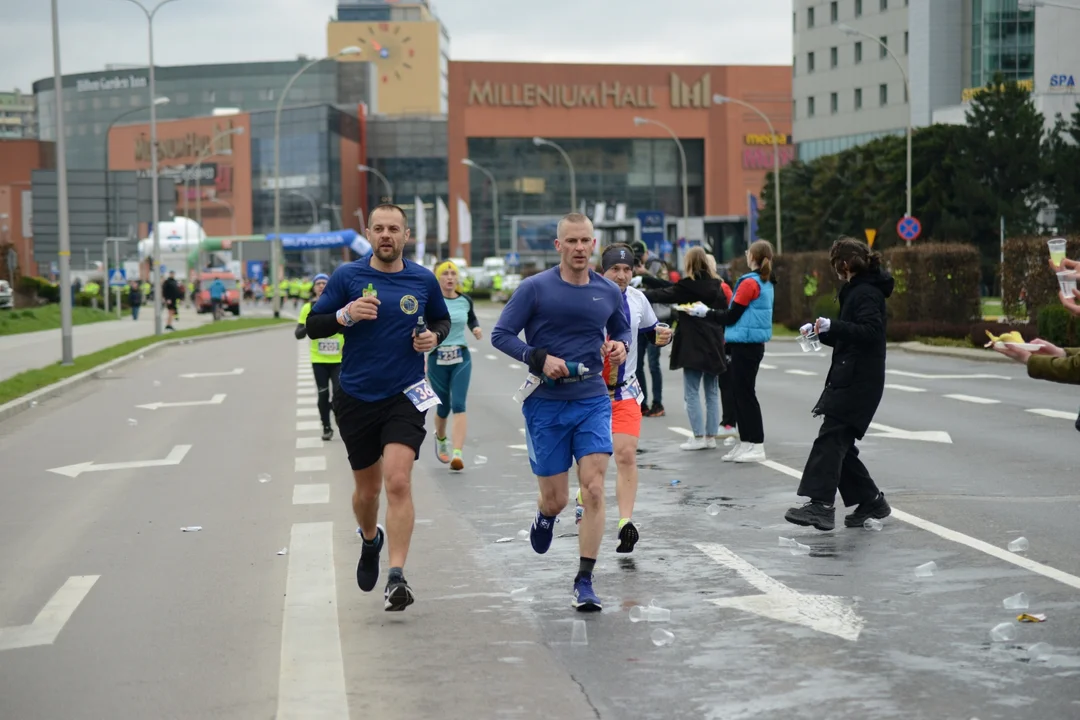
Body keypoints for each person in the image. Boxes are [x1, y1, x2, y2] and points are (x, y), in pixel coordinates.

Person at [305, 204, 451, 612]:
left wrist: (432, 339)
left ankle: (397, 576)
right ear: (368, 234)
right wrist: (345, 314)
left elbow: (440, 321)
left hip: (405, 395)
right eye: (379, 229)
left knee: (398, 481)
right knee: (367, 491)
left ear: (406, 236)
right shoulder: (348, 277)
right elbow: (314, 326)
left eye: (395, 229)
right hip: (355, 396)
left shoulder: (422, 279)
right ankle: (371, 540)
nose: (387, 235)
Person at [491, 212, 631, 612]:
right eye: (571, 242)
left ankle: (584, 579)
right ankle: (545, 515)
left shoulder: (608, 291)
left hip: (591, 399)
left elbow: (620, 331)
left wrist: (620, 347)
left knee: (594, 487)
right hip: (546, 403)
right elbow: (501, 335)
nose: (580, 249)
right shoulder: (535, 288)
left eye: (586, 241)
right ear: (558, 246)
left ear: (593, 242)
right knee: (555, 499)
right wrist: (537, 357)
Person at [785, 237, 894, 531]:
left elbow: (871, 332)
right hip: (853, 376)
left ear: (844, 264)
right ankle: (871, 501)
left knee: (831, 438)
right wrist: (820, 332)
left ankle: (820, 505)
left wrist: (835, 326)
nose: (835, 269)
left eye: (835, 264)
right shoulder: (857, 291)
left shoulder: (867, 292)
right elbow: (852, 334)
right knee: (840, 443)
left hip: (859, 380)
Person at [573, 244, 672, 553]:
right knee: (595, 467)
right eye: (615, 269)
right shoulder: (584, 297)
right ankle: (583, 495)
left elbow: (652, 330)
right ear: (602, 271)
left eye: (627, 269)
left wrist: (663, 335)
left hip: (624, 390)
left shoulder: (638, 299)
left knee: (626, 454)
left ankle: (625, 523)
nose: (622, 275)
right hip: (588, 392)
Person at [688, 240, 775, 463]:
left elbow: (731, 316)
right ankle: (746, 442)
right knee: (740, 394)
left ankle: (756, 444)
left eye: (748, 252)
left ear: (753, 257)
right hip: (749, 344)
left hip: (746, 345)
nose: (746, 254)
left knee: (745, 395)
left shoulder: (749, 283)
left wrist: (705, 313)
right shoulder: (764, 281)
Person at [641, 247, 729, 450]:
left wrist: (636, 293)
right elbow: (723, 313)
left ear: (689, 263)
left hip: (692, 344)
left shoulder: (687, 287)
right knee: (712, 392)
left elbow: (663, 294)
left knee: (691, 392)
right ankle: (710, 438)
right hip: (714, 342)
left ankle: (697, 437)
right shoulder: (717, 286)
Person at [429, 261, 483, 471]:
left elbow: (472, 319)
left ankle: (457, 454)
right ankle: (441, 439)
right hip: (437, 358)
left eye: (453, 274)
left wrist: (476, 329)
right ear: (438, 278)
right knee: (443, 407)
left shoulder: (465, 300)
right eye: (445, 274)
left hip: (461, 356)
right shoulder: (432, 302)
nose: (450, 278)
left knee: (459, 404)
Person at [296, 273, 344, 442]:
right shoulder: (308, 308)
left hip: (339, 360)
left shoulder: (338, 305)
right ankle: (326, 427)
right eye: (318, 283)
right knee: (323, 395)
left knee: (339, 394)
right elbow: (298, 334)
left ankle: (339, 416)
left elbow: (347, 328)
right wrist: (314, 326)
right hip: (319, 360)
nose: (321, 286)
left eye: (325, 283)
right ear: (314, 287)